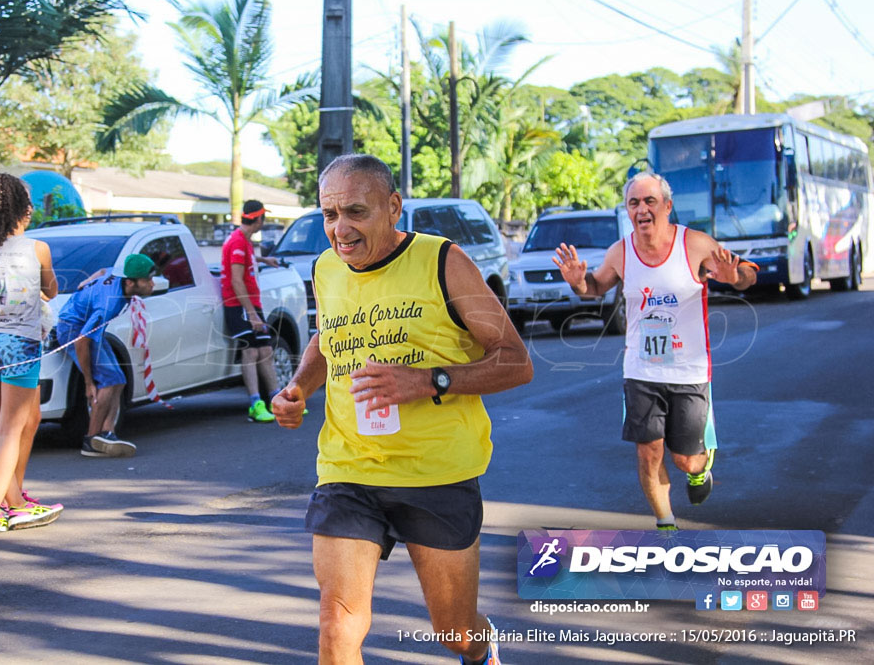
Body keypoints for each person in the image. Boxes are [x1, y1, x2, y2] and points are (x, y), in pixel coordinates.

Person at [271, 154, 532, 664]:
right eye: (329, 215)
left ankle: (482, 652)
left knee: (456, 631)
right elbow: (328, 337)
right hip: (349, 466)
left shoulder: (443, 261)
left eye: (355, 212)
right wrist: (299, 387)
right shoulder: (328, 267)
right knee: (337, 621)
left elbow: (516, 362)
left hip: (437, 472)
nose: (339, 230)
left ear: (393, 207)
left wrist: (429, 381)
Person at [553, 171, 757, 531]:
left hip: (690, 371)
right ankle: (666, 526)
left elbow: (746, 274)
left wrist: (733, 276)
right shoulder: (621, 251)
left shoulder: (693, 244)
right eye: (634, 203)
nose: (642, 210)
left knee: (685, 460)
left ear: (667, 206)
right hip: (641, 370)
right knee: (648, 451)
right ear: (627, 211)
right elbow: (596, 287)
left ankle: (700, 468)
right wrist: (578, 282)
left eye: (650, 202)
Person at [0, 171, 61, 535]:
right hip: (20, 342)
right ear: (20, 209)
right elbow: (50, 290)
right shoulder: (37, 248)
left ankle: (15, 500)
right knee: (10, 429)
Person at [56, 253, 155, 457]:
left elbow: (102, 271)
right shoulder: (109, 303)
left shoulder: (117, 276)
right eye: (147, 280)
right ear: (130, 282)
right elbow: (82, 341)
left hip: (87, 330)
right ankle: (91, 440)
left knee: (118, 379)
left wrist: (87, 281)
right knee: (108, 382)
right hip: (72, 329)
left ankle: (108, 432)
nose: (152, 284)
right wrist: (88, 382)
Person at [221, 199, 281, 423]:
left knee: (265, 349)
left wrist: (263, 259)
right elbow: (237, 281)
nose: (263, 223)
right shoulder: (238, 241)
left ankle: (276, 400)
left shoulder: (243, 240)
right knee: (251, 351)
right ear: (257, 219)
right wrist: (252, 314)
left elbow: (243, 260)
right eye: (263, 218)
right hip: (239, 305)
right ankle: (256, 403)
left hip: (251, 304)